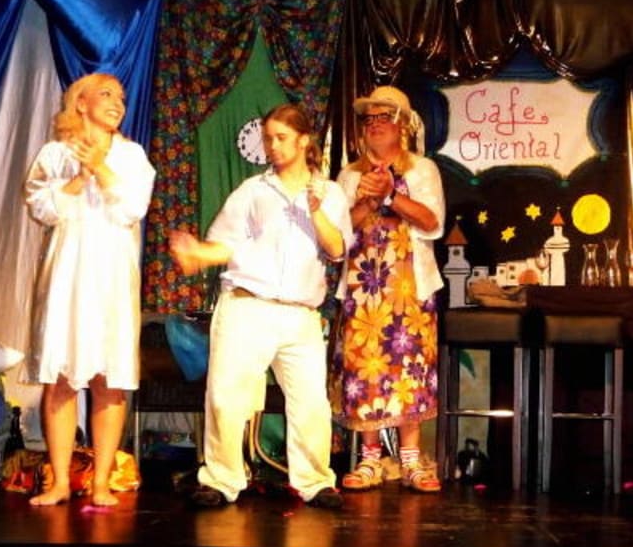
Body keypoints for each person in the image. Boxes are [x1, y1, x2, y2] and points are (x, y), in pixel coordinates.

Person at [170, 104, 353, 509]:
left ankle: (315, 482)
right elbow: (225, 243)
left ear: (303, 140)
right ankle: (221, 479)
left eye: (281, 137)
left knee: (310, 403)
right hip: (247, 306)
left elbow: (337, 249)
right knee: (226, 397)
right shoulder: (253, 191)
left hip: (300, 313)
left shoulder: (330, 193)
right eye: (268, 138)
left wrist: (316, 212)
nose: (273, 146)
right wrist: (200, 254)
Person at [24, 72, 156, 507]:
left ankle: (101, 482)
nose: (118, 102)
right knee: (61, 378)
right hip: (67, 275)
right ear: (80, 103)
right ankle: (60, 482)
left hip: (112, 277)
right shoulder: (55, 153)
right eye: (106, 94)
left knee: (108, 379)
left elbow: (133, 209)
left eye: (121, 96)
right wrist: (79, 179)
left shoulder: (132, 156)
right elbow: (42, 208)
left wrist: (101, 168)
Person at [332, 86, 445, 493]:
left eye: (384, 117)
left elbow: (433, 222)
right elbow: (336, 234)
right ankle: (370, 459)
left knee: (409, 370)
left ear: (403, 126)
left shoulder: (422, 170)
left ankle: (411, 460)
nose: (375, 125)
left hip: (409, 285)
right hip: (364, 287)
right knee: (367, 370)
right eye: (369, 119)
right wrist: (365, 201)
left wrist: (390, 195)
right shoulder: (349, 175)